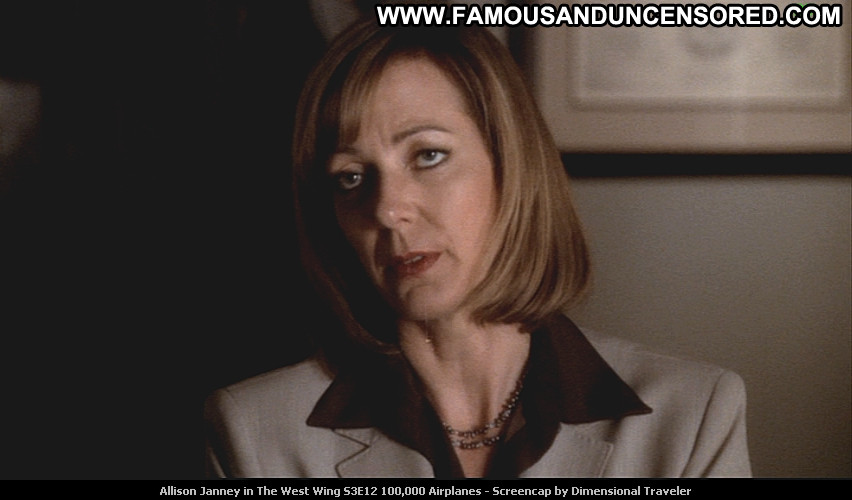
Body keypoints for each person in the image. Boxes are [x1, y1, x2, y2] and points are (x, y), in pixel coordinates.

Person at [203, 20, 751, 478]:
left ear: (512, 167)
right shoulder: (255, 432)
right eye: (351, 177)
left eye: (428, 156)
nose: (387, 209)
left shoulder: (691, 415)